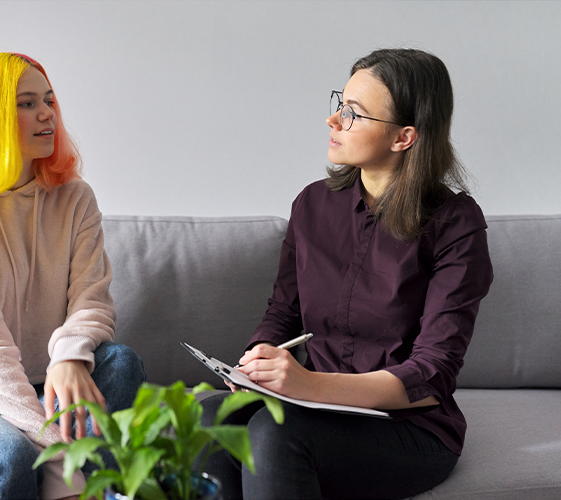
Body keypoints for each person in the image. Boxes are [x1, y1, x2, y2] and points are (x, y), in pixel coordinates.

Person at [201, 48, 494, 500]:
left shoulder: (455, 223)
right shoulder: (312, 205)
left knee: (275, 435)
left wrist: (309, 384)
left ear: (404, 137)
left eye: (354, 114)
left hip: (407, 425)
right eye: (340, 105)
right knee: (208, 419)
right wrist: (258, 357)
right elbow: (284, 312)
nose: (333, 122)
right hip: (313, 406)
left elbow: (433, 372)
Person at [0, 51, 145, 500]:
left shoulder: (75, 198)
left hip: (50, 377)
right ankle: (79, 486)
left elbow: (92, 300)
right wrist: (54, 443)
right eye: (26, 103)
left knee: (122, 361)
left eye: (50, 100)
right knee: (8, 456)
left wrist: (70, 358)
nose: (46, 114)